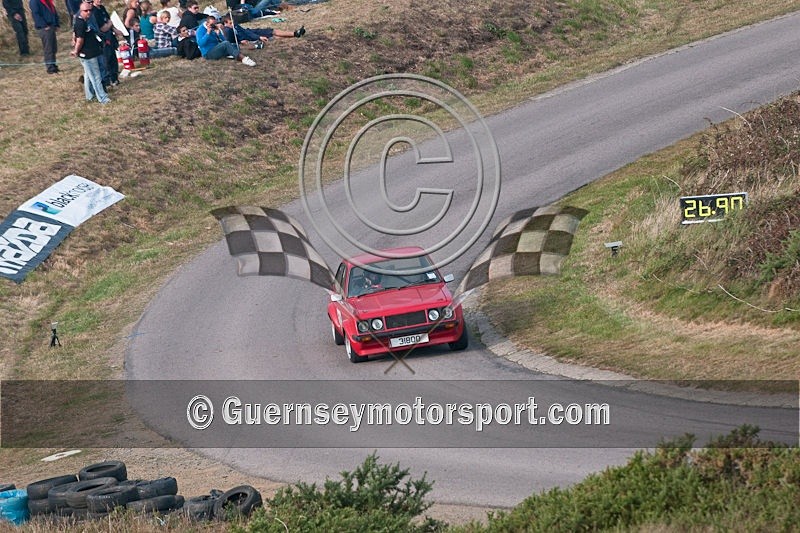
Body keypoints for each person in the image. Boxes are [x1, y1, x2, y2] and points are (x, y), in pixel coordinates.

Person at [71, 2, 109, 103]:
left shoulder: (87, 20)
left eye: (90, 10)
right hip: (87, 54)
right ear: (81, 11)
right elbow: (79, 39)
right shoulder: (80, 23)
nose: (88, 12)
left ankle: (90, 96)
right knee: (96, 77)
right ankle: (103, 98)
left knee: (88, 75)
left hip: (95, 50)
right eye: (85, 11)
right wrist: (76, 51)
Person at [220, 13, 303, 46]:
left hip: (251, 32)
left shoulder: (235, 25)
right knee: (272, 37)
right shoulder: (227, 31)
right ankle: (295, 35)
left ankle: (295, 33)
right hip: (249, 38)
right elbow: (230, 41)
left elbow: (245, 31)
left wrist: (258, 36)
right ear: (225, 24)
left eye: (232, 22)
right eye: (230, 23)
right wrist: (240, 42)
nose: (233, 24)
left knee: (271, 31)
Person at [91, 0, 119, 88]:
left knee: (113, 58)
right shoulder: (93, 11)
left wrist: (115, 29)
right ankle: (107, 81)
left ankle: (115, 78)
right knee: (106, 60)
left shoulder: (102, 8)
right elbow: (103, 28)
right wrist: (109, 23)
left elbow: (109, 21)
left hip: (110, 36)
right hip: (103, 38)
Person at [29, 0, 60, 73]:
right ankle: (50, 67)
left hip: (51, 25)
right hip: (44, 28)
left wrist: (56, 24)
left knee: (53, 47)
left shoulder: (48, 1)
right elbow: (36, 14)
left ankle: (53, 64)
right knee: (48, 48)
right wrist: (44, 25)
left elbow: (53, 11)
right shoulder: (34, 1)